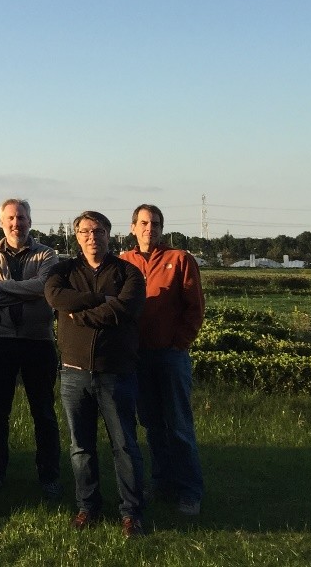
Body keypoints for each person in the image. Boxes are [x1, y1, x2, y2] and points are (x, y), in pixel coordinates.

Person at [45, 211, 147, 538]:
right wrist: (100, 299)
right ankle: (87, 506)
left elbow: (126, 308)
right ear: (77, 237)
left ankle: (131, 512)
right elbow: (55, 297)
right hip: (74, 373)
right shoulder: (62, 271)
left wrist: (81, 316)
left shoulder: (128, 272)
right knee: (81, 447)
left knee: (124, 445)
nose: (92, 237)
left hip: (116, 372)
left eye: (98, 231)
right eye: (85, 231)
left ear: (109, 234)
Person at [120, 204, 206, 516]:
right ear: (133, 227)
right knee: (152, 424)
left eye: (155, 223)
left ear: (161, 228)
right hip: (138, 358)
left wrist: (178, 344)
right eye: (144, 223)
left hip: (170, 356)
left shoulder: (180, 259)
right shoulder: (124, 262)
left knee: (179, 426)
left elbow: (195, 308)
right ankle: (161, 481)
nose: (149, 229)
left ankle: (189, 490)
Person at [0, 198, 62, 498]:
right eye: (11, 218)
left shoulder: (47, 254)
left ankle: (49, 475)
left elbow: (45, 289)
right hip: (0, 341)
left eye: (21, 218)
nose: (16, 223)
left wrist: (1, 287)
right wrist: (26, 292)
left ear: (30, 221)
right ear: (2, 222)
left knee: (44, 412)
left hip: (38, 341)